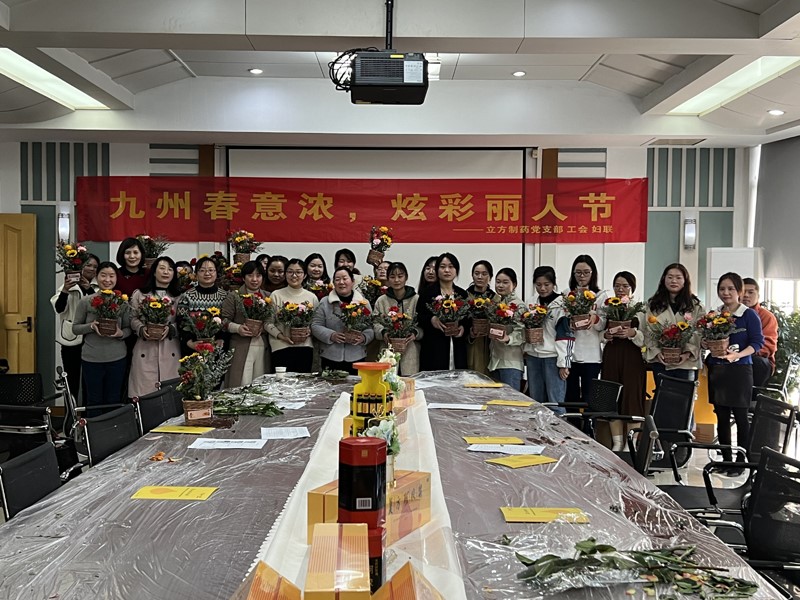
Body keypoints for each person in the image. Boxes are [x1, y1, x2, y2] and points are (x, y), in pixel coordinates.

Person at [706, 272, 764, 468]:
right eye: (722, 289)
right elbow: (708, 339)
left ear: (739, 291)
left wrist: (737, 355)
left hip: (740, 370)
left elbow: (757, 343)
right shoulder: (715, 315)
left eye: (731, 288)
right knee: (721, 417)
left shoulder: (749, 315)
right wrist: (707, 343)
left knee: (741, 417)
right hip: (718, 370)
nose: (726, 292)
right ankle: (726, 460)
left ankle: (741, 461)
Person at [71, 262, 132, 412]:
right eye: (103, 275)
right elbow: (75, 328)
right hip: (91, 359)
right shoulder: (86, 301)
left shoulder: (121, 302)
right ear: (96, 277)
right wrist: (91, 326)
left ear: (116, 278)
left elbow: (128, 329)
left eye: (111, 276)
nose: (107, 280)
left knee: (114, 398)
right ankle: (94, 427)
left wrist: (121, 334)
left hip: (117, 358)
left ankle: (113, 427)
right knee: (94, 399)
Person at [601, 271, 647, 450]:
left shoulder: (640, 309)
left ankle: (630, 443)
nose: (620, 289)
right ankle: (617, 442)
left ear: (632, 288)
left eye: (625, 286)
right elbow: (599, 332)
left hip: (632, 357)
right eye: (617, 286)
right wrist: (605, 335)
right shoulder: (608, 307)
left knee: (631, 398)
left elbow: (647, 337)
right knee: (611, 397)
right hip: (612, 356)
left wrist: (633, 333)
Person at [127, 256, 181, 398]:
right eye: (162, 268)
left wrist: (171, 329)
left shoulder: (179, 297)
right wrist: (141, 328)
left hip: (170, 348)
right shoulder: (140, 294)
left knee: (169, 395)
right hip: (145, 348)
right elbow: (132, 318)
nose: (166, 272)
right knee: (145, 394)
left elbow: (184, 322)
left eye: (170, 269)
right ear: (154, 272)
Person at [644, 263, 704, 382]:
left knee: (685, 393)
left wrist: (688, 352)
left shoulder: (696, 306)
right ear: (664, 279)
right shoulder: (653, 305)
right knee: (663, 393)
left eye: (678, 277)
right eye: (670, 277)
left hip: (687, 363)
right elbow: (647, 329)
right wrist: (656, 352)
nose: (674, 281)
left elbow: (700, 332)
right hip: (661, 361)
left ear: (685, 281)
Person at [50, 254, 99, 398]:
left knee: (89, 381)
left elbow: (100, 309)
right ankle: (70, 410)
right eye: (88, 265)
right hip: (71, 339)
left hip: (92, 339)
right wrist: (65, 290)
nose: (91, 269)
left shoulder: (97, 288)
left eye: (95, 267)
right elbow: (59, 309)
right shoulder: (67, 287)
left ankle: (87, 412)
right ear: (80, 267)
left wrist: (89, 289)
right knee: (71, 381)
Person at [523, 266, 570, 413]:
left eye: (546, 284)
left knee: (555, 403)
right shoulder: (531, 303)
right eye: (538, 285)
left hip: (552, 358)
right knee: (536, 402)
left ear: (554, 283)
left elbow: (565, 335)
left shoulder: (561, 305)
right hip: (533, 357)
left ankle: (558, 428)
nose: (542, 288)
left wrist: (564, 363)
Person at [311, 266, 374, 374]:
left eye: (345, 278)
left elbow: (371, 327)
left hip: (357, 356)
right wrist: (331, 335)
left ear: (352, 281)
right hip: (330, 356)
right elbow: (315, 325)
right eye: (337, 279)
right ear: (333, 283)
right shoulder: (325, 302)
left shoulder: (363, 303)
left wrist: (364, 338)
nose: (341, 282)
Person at [564, 254, 607, 405]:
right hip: (570, 354)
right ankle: (572, 421)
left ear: (593, 273)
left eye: (586, 272)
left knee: (590, 399)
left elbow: (603, 325)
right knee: (571, 397)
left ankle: (589, 422)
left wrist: (594, 319)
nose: (582, 276)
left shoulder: (600, 296)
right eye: (578, 272)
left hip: (591, 355)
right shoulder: (567, 294)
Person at [417, 253, 471, 371]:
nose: (447, 270)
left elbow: (468, 318)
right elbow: (419, 317)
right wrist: (431, 320)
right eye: (442, 267)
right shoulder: (427, 293)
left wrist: (463, 328)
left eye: (451, 267)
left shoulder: (462, 294)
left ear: (456, 270)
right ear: (437, 270)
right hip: (434, 348)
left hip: (457, 347)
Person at [221, 261, 271, 387]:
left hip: (262, 345)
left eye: (258, 275)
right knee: (241, 384)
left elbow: (272, 321)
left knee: (260, 386)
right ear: (243, 278)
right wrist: (238, 328)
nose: (254, 279)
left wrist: (263, 328)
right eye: (250, 275)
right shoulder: (234, 296)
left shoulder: (268, 297)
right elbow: (223, 321)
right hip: (240, 345)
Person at [267, 258, 319, 373]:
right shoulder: (276, 295)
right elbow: (268, 323)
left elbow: (316, 323)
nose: (294, 275)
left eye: (298, 272)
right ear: (285, 274)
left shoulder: (312, 297)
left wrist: (308, 331)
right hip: (281, 347)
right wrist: (281, 336)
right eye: (290, 272)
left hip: (305, 348)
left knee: (303, 382)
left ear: (305, 275)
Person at [374, 262, 422, 376]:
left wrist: (415, 333)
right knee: (387, 380)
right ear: (388, 279)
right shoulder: (381, 300)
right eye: (392, 276)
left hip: (410, 350)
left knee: (409, 382)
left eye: (400, 276)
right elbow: (375, 323)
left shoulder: (416, 299)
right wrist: (384, 333)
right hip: (388, 350)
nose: (396, 280)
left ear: (406, 277)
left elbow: (423, 324)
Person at [176, 256, 229, 356]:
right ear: (196, 274)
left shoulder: (225, 296)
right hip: (193, 350)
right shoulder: (187, 296)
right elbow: (181, 322)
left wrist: (222, 338)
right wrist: (190, 343)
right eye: (202, 270)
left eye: (211, 270)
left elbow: (228, 320)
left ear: (216, 273)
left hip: (218, 349)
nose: (207, 273)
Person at [488, 268, 524, 390]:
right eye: (498, 282)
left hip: (511, 363)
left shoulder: (518, 305)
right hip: (495, 362)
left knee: (511, 400)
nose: (500, 285)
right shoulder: (495, 304)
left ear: (514, 284)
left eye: (505, 282)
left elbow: (522, 332)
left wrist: (509, 338)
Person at [742, 278, 778, 391]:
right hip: (733, 355)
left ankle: (751, 398)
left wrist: (743, 353)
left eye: (750, 292)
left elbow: (767, 347)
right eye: (743, 292)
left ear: (758, 296)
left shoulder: (767, 316)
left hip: (757, 359)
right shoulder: (728, 314)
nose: (746, 295)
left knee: (757, 362)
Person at [466, 260, 495, 375]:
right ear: (472, 275)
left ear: (490, 277)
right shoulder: (464, 297)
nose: (480, 277)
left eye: (484, 274)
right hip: (470, 345)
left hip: (490, 346)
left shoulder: (496, 299)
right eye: (476, 273)